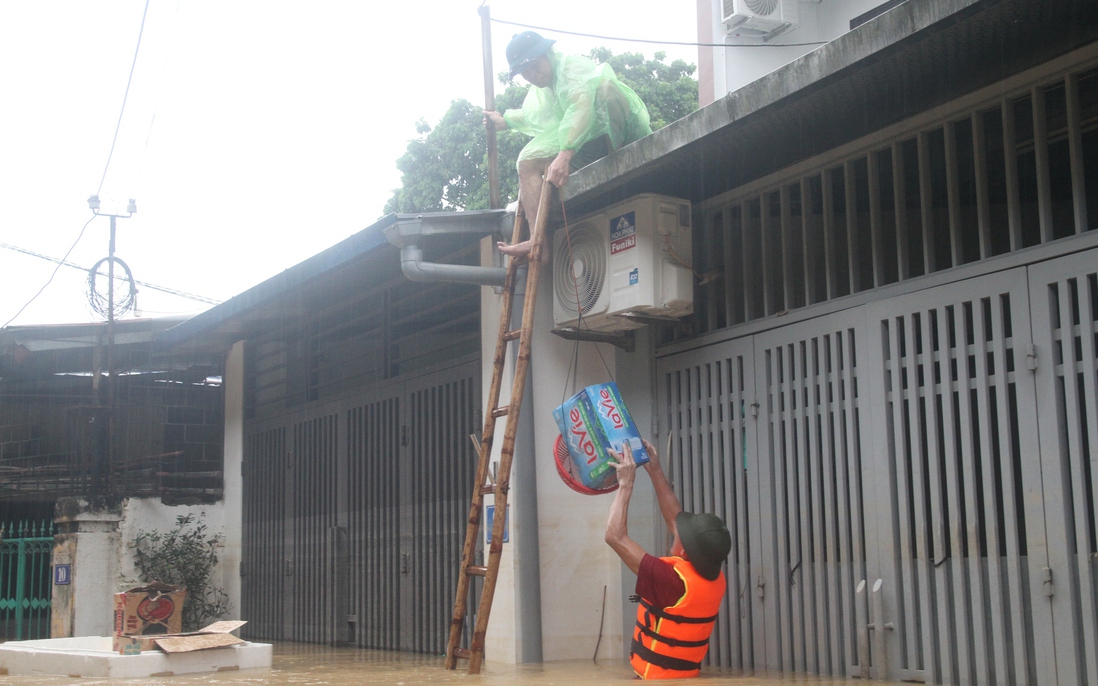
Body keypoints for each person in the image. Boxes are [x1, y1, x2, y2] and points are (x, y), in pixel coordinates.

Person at [484, 31, 652, 260]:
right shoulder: (544, 90)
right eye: (525, 72)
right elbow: (537, 116)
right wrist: (506, 120)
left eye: (534, 66)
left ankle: (617, 160)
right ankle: (537, 241)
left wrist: (564, 155)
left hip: (615, 136)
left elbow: (580, 108)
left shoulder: (569, 67)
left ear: (547, 54)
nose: (532, 75)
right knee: (526, 161)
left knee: (606, 89)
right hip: (586, 145)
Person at [605, 439, 732, 680]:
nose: (676, 529)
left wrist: (626, 485)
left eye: (681, 535)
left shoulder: (671, 581)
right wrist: (655, 469)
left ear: (685, 551)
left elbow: (614, 536)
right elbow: (675, 519)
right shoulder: (711, 574)